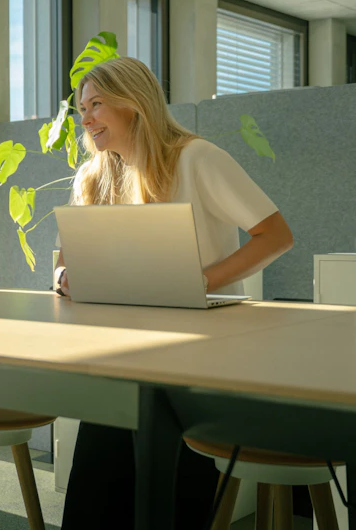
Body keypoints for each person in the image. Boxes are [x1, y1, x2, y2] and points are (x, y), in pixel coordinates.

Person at [55, 57, 294, 528]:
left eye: (97, 105)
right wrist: (63, 279)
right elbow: (64, 260)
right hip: (121, 354)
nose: (85, 119)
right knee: (95, 495)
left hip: (198, 359)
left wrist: (200, 280)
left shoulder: (196, 157)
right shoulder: (94, 176)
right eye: (83, 108)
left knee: (173, 501)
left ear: (134, 102)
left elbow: (276, 235)